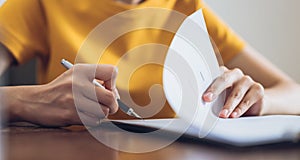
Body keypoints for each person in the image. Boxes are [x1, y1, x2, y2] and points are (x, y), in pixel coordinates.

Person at [0, 0, 299, 127]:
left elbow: (293, 92)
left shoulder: (184, 6)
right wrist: (26, 101)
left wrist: (257, 101)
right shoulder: (42, 3)